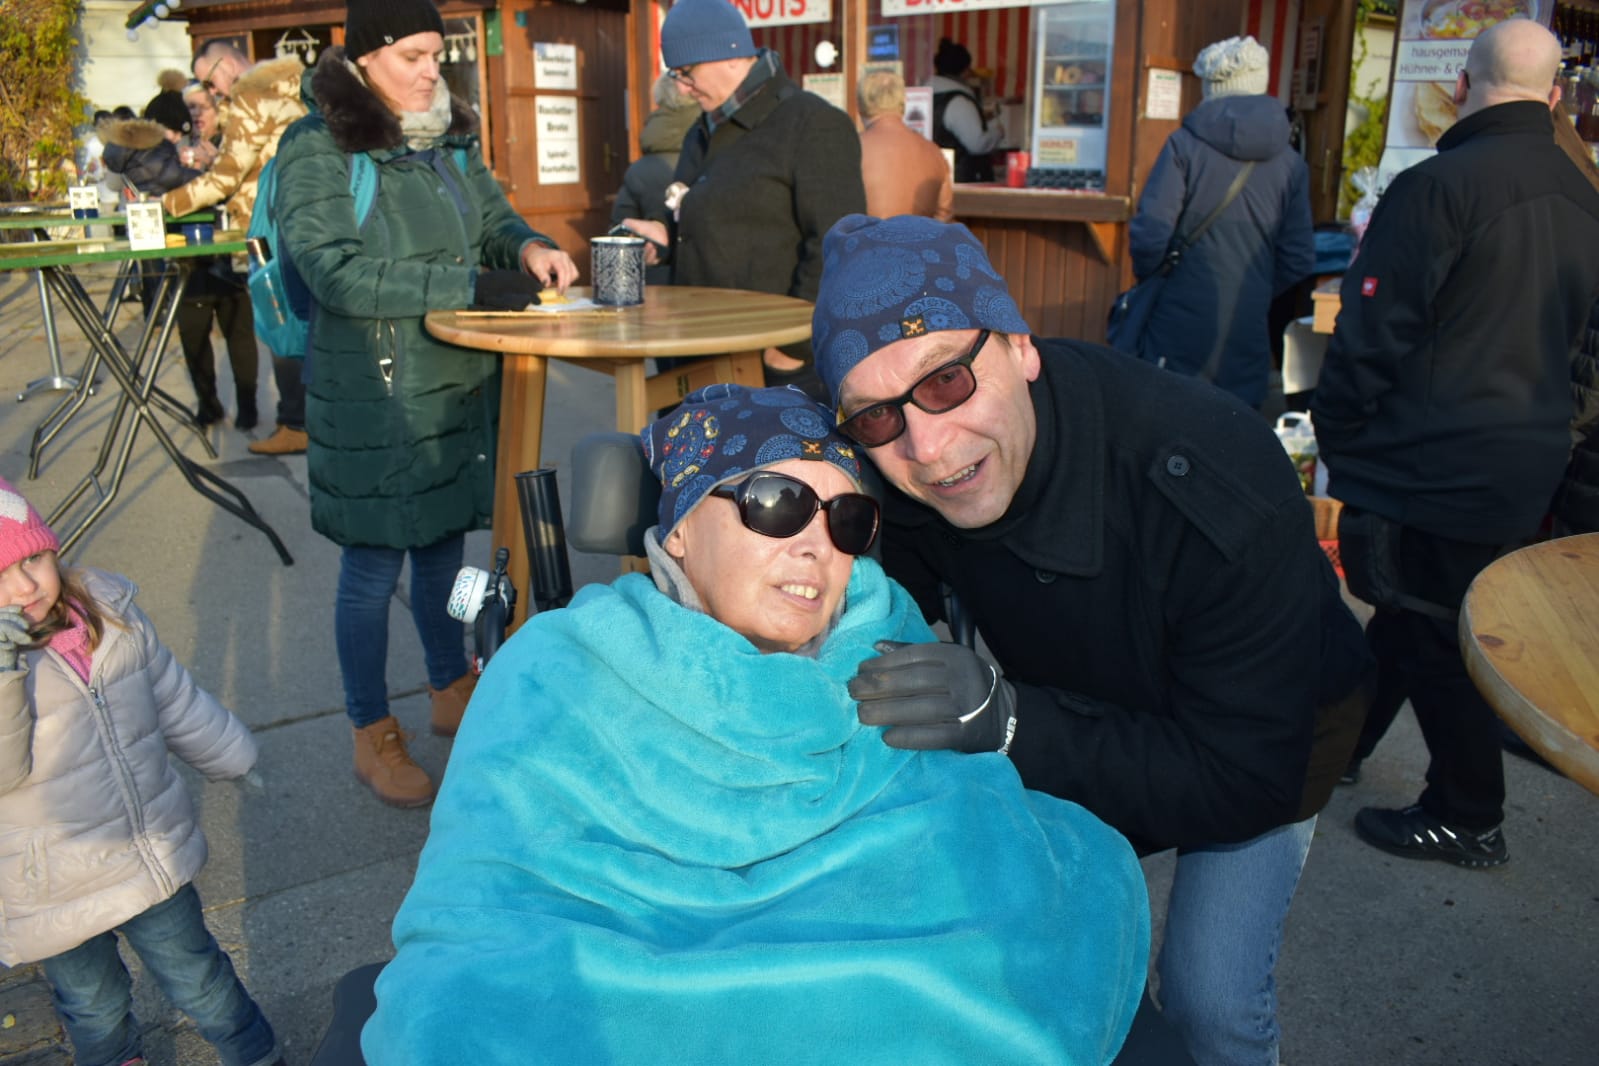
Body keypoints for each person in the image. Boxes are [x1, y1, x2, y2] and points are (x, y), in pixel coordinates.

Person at [361, 383, 1149, 1064]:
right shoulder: (560, 665)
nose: (816, 546)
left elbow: (977, 845)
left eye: (846, 522)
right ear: (678, 529)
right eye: (777, 504)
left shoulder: (892, 641)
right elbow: (489, 905)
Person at [812, 213, 1370, 1066]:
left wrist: (1007, 724)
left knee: (1208, 1001)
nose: (927, 445)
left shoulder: (1213, 473)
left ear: (1020, 348)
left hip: (1265, 728)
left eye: (946, 382)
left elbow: (1243, 773)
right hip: (1085, 700)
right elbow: (876, 604)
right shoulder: (914, 464)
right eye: (877, 419)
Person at [272, 0, 578, 807]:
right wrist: (470, 285)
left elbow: (493, 223)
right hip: (374, 393)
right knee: (371, 573)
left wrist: (528, 246)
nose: (427, 70)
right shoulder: (317, 146)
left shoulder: (447, 139)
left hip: (452, 385)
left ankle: (450, 686)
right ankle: (370, 729)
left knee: (446, 555)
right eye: (410, 54)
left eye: (434, 54)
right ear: (365, 58)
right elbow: (336, 273)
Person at [1313, 17, 1599, 866]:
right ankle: (1343, 749)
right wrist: (1561, 426)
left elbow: (1370, 334)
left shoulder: (1437, 188)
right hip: (1520, 461)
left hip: (1425, 463)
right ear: (1552, 95)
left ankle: (1468, 812)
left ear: (1467, 84)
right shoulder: (1583, 197)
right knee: (1414, 617)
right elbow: (1590, 355)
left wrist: (1343, 437)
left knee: (1434, 634)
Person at [0, 477, 282, 1066]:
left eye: (32, 559)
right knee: (93, 1005)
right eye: (1, 573)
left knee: (202, 978)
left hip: (144, 853)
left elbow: (172, 695)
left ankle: (256, 1057)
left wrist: (230, 752)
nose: (25, 585)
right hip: (52, 885)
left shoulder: (106, 608)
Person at [618, 0, 865, 401]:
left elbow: (839, 244)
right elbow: (696, 210)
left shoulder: (813, 124)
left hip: (771, 371)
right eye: (676, 75)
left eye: (686, 73)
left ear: (729, 56)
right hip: (694, 356)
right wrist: (663, 232)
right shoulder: (701, 130)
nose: (681, 88)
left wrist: (791, 348)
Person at [1126, 35, 1314, 409]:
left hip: (1176, 319)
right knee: (1234, 436)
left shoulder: (1182, 145)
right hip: (1246, 327)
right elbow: (1298, 258)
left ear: (1212, 87)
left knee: (1168, 422)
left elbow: (1150, 237)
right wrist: (1255, 289)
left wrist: (1162, 277)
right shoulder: (1291, 162)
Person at [161, 41, 310, 454]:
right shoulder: (293, 86)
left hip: (271, 226)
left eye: (210, 81)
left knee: (281, 326)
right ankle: (306, 418)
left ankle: (295, 423)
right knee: (302, 322)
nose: (214, 92)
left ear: (226, 65)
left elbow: (227, 177)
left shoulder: (252, 94)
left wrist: (167, 204)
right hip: (305, 219)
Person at [610, 72, 698, 286]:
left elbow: (619, 234)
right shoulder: (718, 148)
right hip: (713, 286)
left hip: (657, 286)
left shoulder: (640, 169)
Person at [858, 69, 954, 223]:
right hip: (918, 245)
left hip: (864, 245)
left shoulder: (851, 149)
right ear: (903, 102)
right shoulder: (933, 151)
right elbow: (943, 216)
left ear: (862, 104)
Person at [931, 38, 1004, 183]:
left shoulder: (926, 94)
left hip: (931, 177)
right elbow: (977, 144)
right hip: (960, 179)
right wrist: (998, 131)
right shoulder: (958, 102)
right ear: (965, 71)